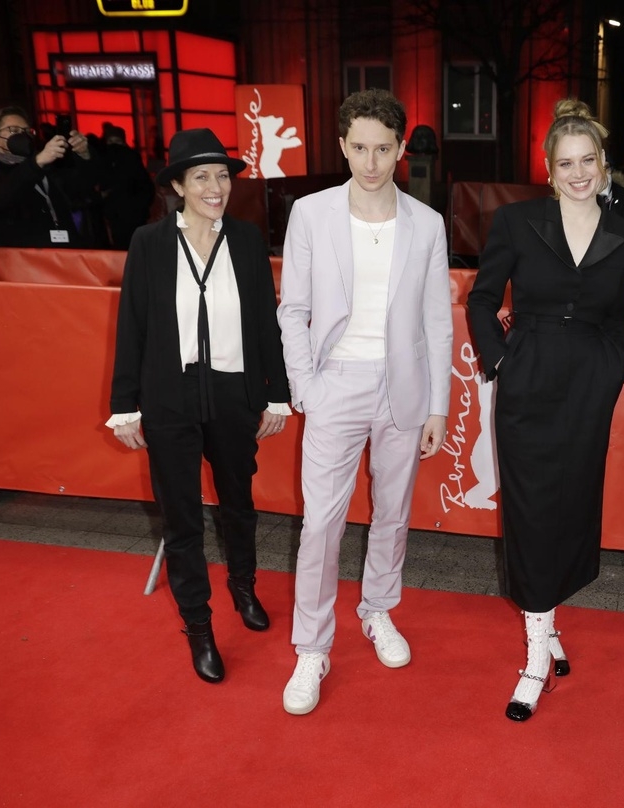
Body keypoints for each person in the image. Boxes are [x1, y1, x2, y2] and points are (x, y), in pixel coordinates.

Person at [466, 98, 624, 722]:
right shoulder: (517, 222)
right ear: (548, 169)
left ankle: (546, 621)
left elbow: (620, 312)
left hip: (589, 383)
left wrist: (614, 371)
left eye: (588, 161)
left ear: (603, 165)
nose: (577, 173)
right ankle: (536, 654)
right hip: (528, 375)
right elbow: (482, 299)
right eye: (565, 163)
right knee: (529, 509)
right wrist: (500, 362)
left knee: (570, 503)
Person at [276, 88, 452, 716]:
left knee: (393, 511)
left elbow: (438, 320)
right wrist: (307, 387)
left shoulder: (426, 224)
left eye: (383, 149)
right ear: (343, 145)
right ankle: (312, 646)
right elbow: (293, 308)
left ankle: (378, 611)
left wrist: (438, 405)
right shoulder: (311, 214)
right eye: (359, 148)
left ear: (401, 149)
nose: (371, 162)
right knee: (321, 521)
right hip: (336, 383)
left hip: (402, 386)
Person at [107, 128, 292, 684]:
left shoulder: (245, 239)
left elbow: (265, 323)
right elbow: (133, 326)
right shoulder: (150, 242)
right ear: (179, 185)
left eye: (222, 176)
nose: (215, 187)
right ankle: (199, 626)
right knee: (181, 517)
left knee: (238, 504)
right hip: (169, 398)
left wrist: (277, 392)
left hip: (234, 395)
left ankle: (243, 586)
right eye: (202, 177)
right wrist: (125, 406)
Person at [0, 105, 101, 248]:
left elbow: (88, 186)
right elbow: (0, 199)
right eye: (13, 130)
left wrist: (84, 155)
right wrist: (36, 163)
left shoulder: (50, 170)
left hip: (65, 257)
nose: (23, 135)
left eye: (27, 131)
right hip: (26, 263)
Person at [97, 123, 156, 251]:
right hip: (122, 215)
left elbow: (145, 188)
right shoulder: (127, 158)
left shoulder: (129, 159)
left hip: (128, 214)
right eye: (111, 141)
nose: (114, 146)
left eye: (117, 141)